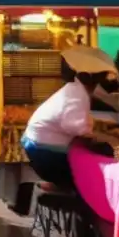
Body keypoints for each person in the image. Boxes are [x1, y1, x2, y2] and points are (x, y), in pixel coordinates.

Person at [20, 60, 100, 190]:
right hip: (43, 152)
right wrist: (92, 132)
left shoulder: (72, 89)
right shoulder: (77, 95)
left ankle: (57, 184)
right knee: (95, 152)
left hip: (36, 146)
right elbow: (77, 128)